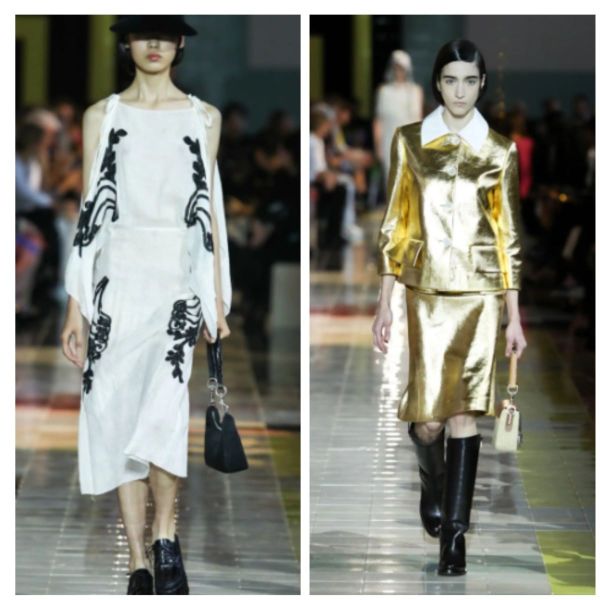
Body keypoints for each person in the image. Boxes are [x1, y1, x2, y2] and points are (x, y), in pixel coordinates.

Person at [59, 15, 231, 595]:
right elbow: (90, 214)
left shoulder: (204, 117)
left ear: (180, 43)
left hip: (175, 285)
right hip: (116, 285)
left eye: (164, 34)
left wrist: (215, 298)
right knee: (116, 415)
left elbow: (208, 216)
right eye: (141, 34)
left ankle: (165, 534)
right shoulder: (102, 117)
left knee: (162, 413)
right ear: (126, 43)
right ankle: (137, 560)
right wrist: (75, 305)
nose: (153, 44)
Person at [372, 39, 527, 576]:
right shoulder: (410, 141)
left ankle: (455, 538)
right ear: (436, 85)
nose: (460, 91)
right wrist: (385, 302)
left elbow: (508, 236)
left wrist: (514, 315)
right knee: (429, 421)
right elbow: (395, 223)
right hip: (427, 292)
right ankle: (430, 480)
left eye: (469, 81)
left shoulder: (500, 151)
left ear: (481, 84)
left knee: (464, 414)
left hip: (481, 293)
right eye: (450, 80)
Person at [373, 49, 424, 185]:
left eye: (401, 67)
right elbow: (378, 120)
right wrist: (378, 146)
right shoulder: (384, 91)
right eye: (396, 67)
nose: (398, 71)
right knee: (391, 180)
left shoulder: (416, 91)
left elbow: (419, 120)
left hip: (410, 141)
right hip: (388, 141)